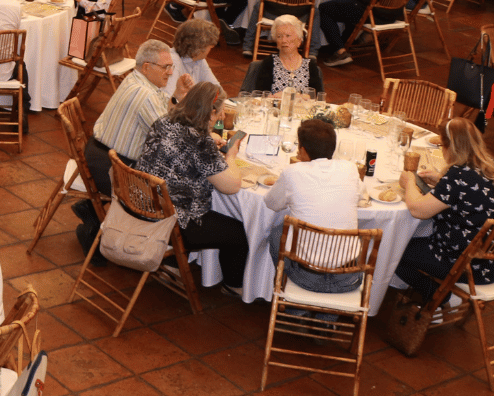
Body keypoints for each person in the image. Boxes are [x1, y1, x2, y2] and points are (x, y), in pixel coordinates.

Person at [137, 82, 250, 294]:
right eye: (220, 111)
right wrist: (231, 156)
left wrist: (209, 138)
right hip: (170, 220)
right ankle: (233, 285)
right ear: (210, 112)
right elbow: (232, 186)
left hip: (144, 202)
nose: (222, 115)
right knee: (238, 233)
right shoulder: (198, 141)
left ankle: (172, 264)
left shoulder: (164, 120)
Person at [396, 119, 494, 292]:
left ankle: (435, 295)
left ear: (450, 147)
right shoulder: (492, 165)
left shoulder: (457, 176)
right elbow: (472, 190)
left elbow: (418, 209)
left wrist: (410, 183)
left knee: (393, 250)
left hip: (468, 266)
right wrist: (441, 180)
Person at [264, 118, 361, 294]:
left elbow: (271, 203)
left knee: (277, 233)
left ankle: (290, 297)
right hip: (349, 277)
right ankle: (328, 317)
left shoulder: (292, 172)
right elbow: (361, 196)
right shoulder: (350, 169)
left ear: (302, 150)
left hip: (306, 277)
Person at [88, 39, 185, 199]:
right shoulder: (146, 95)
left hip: (98, 155)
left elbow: (165, 117)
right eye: (165, 67)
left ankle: (90, 210)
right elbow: (171, 139)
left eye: (171, 66)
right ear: (147, 67)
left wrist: (178, 95)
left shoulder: (134, 79)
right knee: (177, 187)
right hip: (111, 171)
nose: (170, 72)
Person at [241, 15, 325, 95]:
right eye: (279, 36)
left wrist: (299, 97)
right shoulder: (269, 63)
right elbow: (262, 96)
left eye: (288, 36)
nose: (284, 40)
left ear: (299, 40)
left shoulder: (310, 66)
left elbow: (317, 98)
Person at [167, 19, 221, 92]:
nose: (210, 51)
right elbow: (171, 98)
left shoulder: (199, 59)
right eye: (210, 47)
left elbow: (216, 89)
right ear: (199, 48)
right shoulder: (172, 62)